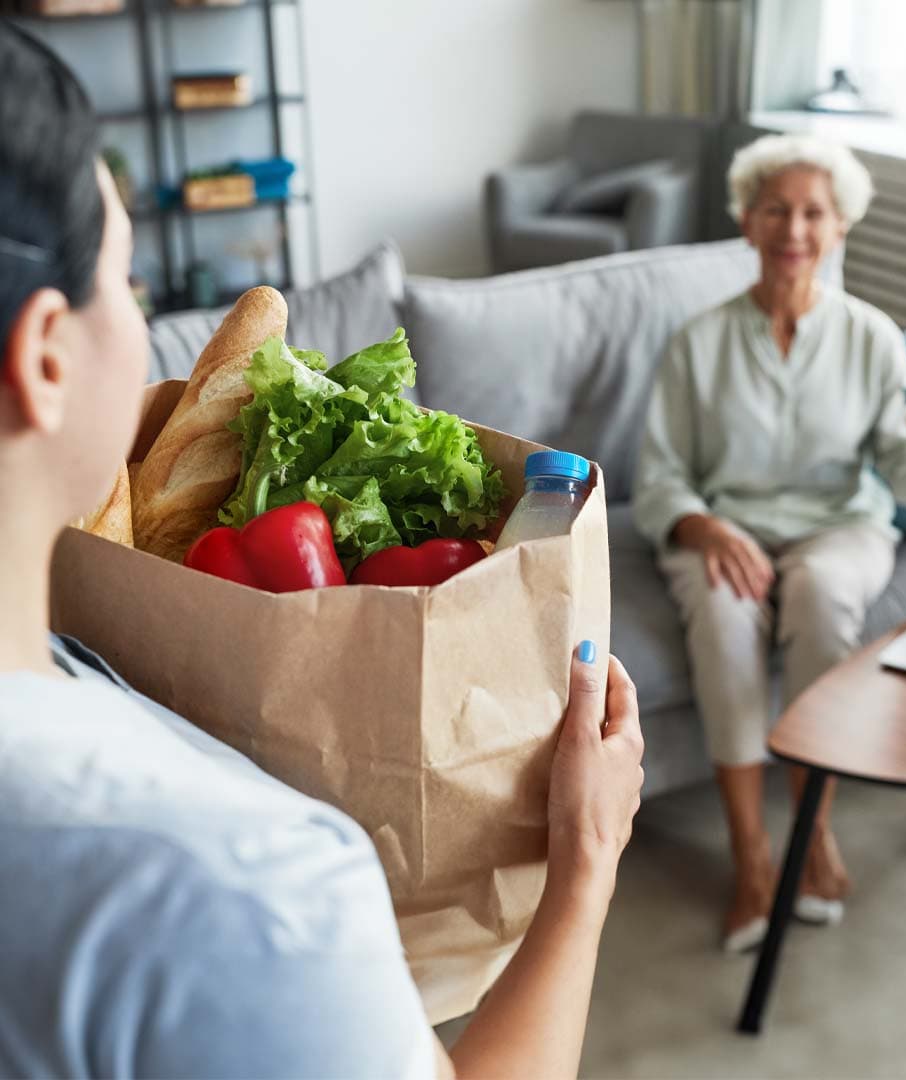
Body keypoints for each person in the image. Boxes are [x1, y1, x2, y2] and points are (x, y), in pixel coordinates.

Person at [0, 25, 644, 1079]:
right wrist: (586, 870)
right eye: (127, 285)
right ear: (43, 358)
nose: (144, 327)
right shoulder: (245, 892)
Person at [632, 134, 906, 952]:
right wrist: (704, 525)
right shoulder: (698, 342)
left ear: (840, 228)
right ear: (747, 223)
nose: (794, 228)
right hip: (726, 522)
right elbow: (659, 476)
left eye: (813, 212)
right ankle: (752, 852)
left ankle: (813, 827)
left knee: (822, 595)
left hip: (838, 525)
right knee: (720, 609)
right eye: (776, 209)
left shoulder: (871, 336)